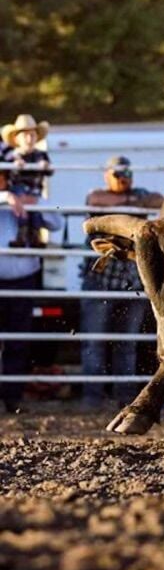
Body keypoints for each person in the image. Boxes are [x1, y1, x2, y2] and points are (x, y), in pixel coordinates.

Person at [80, 155, 164, 410]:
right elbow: (97, 200)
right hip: (101, 281)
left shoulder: (140, 195)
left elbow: (160, 200)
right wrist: (132, 206)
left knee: (126, 342)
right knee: (95, 340)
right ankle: (93, 397)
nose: (122, 179)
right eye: (117, 174)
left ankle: (124, 396)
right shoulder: (98, 196)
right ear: (107, 175)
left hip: (132, 283)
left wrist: (130, 203)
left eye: (126, 174)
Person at [0, 169, 63, 413]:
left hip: (23, 279)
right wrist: (7, 198)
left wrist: (35, 202)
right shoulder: (8, 199)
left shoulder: (27, 197)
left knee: (18, 341)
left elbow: (56, 222)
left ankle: (12, 398)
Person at [0, 114, 53, 249]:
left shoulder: (41, 155)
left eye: (32, 135)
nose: (29, 139)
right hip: (18, 191)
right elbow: (9, 172)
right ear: (17, 139)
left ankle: (35, 236)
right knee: (21, 212)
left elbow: (50, 171)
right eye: (25, 135)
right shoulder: (13, 155)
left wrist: (45, 165)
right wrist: (15, 165)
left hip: (35, 192)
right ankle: (22, 235)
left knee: (34, 212)